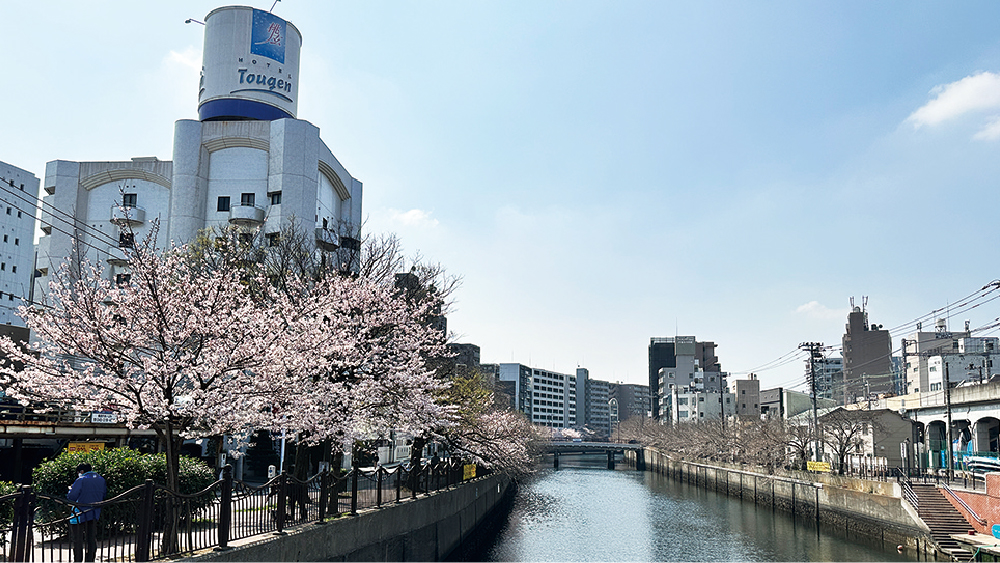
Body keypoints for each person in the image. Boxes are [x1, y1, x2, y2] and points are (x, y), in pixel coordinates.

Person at [67, 462, 106, 562]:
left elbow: (72, 497)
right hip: (94, 513)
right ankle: (90, 559)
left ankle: (78, 560)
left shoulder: (81, 480)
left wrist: (70, 489)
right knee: (91, 538)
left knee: (78, 540)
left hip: (79, 513)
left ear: (81, 471)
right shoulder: (101, 479)